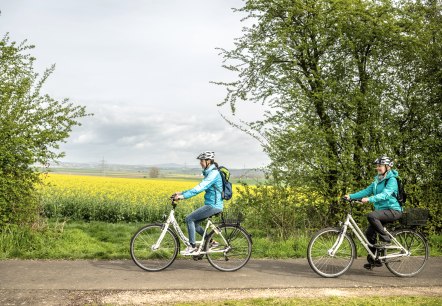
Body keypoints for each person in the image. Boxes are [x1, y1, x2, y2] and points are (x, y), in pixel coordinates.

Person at [344, 155, 403, 269]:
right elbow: (367, 190)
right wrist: (351, 196)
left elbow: (385, 194)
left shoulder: (392, 180)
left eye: (380, 166)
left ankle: (386, 239)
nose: (378, 168)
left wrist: (370, 199)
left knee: (371, 215)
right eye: (377, 166)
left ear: (388, 167)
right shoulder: (378, 180)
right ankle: (376, 259)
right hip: (382, 211)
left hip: (393, 210)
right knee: (369, 234)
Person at [172, 151, 224, 255]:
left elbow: (200, 188)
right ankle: (211, 242)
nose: (200, 163)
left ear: (208, 161)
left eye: (202, 160)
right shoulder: (210, 172)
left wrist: (182, 197)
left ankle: (192, 246)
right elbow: (197, 187)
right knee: (194, 223)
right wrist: (181, 193)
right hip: (211, 204)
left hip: (213, 206)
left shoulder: (213, 174)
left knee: (189, 219)